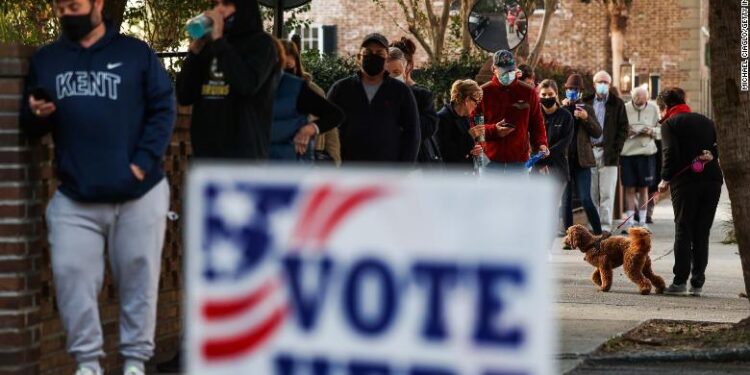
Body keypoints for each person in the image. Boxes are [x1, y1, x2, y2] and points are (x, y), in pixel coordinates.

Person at [21, 1, 176, 374]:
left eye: (74, 5)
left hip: (139, 194)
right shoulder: (47, 60)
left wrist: (142, 164)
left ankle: (135, 362)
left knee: (139, 279)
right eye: (60, 8)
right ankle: (88, 363)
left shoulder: (135, 53)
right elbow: (31, 122)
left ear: (98, 4)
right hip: (76, 194)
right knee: (71, 275)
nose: (65, 14)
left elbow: (163, 107)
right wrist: (35, 114)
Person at [176, 0, 279, 160]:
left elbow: (247, 84)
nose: (218, 9)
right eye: (216, 4)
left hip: (243, 157)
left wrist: (219, 42)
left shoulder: (262, 44)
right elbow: (185, 95)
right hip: (206, 154)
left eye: (226, 3)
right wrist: (194, 54)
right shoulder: (210, 46)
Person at [656, 88, 723, 297]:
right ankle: (697, 282)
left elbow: (670, 153)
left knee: (683, 229)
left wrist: (665, 179)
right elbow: (717, 148)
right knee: (702, 231)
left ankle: (679, 281)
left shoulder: (669, 124)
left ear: (665, 107)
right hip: (712, 181)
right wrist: (709, 155)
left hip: (685, 184)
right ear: (683, 101)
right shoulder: (706, 121)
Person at [327, 33, 420, 163]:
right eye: (368, 52)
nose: (373, 56)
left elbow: (412, 134)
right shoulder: (341, 89)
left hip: (387, 173)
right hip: (348, 172)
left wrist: (402, 170)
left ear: (386, 57)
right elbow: (327, 128)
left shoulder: (401, 92)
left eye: (379, 53)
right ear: (359, 57)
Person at [473, 49, 548, 172]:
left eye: (511, 70)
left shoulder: (528, 92)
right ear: (494, 69)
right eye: (504, 71)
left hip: (519, 162)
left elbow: (536, 122)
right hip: (490, 162)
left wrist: (541, 143)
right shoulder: (482, 93)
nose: (508, 74)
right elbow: (475, 127)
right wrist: (494, 130)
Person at [271, 39, 344, 162]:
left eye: (288, 67)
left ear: (296, 64)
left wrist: (334, 160)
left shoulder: (308, 90)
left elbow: (331, 131)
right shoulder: (263, 88)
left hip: (305, 157)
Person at [583, 71, 629, 232]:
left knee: (607, 193)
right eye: (599, 81)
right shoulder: (586, 101)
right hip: (589, 152)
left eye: (606, 82)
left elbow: (624, 128)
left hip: (609, 153)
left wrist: (616, 148)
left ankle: (605, 226)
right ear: (594, 84)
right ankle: (592, 226)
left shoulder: (617, 103)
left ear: (609, 84)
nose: (603, 84)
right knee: (591, 193)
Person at [561, 74, 603, 236]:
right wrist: (563, 110)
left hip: (583, 161)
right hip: (564, 161)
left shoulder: (587, 109)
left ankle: (599, 233)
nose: (572, 91)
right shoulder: (561, 108)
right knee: (566, 201)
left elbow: (597, 132)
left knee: (586, 198)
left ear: (581, 92)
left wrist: (586, 119)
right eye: (570, 89)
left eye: (575, 89)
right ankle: (569, 237)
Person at [388, 38, 442, 165]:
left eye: (396, 71)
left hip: (418, 161)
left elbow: (429, 127)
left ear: (408, 66)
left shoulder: (421, 94)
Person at [620, 85, 660, 232]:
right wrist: (627, 131)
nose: (639, 100)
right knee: (629, 188)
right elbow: (618, 129)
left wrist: (651, 131)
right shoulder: (624, 108)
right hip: (627, 153)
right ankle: (630, 222)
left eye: (642, 98)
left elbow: (661, 130)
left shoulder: (653, 109)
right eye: (636, 97)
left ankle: (642, 222)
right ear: (632, 96)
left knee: (644, 189)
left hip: (646, 154)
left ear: (647, 98)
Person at [436, 79, 484, 170]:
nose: (476, 106)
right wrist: (470, 136)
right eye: (476, 102)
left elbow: (464, 148)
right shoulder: (442, 118)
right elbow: (445, 154)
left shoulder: (464, 116)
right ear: (467, 100)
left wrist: (474, 151)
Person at [535, 79, 574, 186]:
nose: (547, 97)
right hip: (537, 169)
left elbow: (565, 142)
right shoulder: (534, 115)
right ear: (539, 95)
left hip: (558, 169)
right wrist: (539, 163)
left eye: (550, 94)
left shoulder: (565, 116)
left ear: (556, 94)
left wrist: (546, 156)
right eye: (544, 94)